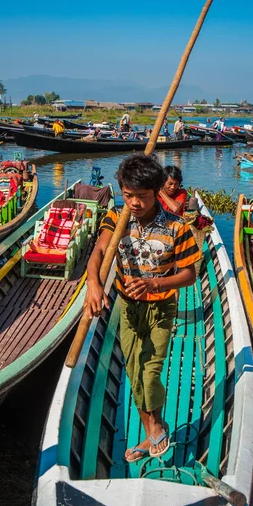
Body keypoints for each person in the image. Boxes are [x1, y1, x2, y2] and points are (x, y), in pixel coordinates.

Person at [85, 153, 201, 461]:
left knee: (149, 372)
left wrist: (156, 284)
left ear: (158, 191)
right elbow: (98, 253)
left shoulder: (177, 228)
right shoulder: (117, 218)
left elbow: (190, 274)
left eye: (142, 196)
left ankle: (156, 426)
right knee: (134, 372)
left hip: (160, 309)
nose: (134, 203)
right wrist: (93, 284)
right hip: (128, 307)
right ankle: (152, 433)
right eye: (128, 195)